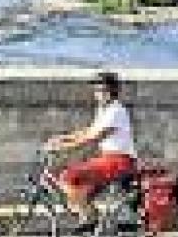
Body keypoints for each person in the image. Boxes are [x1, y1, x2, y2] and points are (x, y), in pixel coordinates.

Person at [45, 71, 138, 233]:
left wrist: (63, 148)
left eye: (103, 91)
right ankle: (92, 217)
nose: (99, 94)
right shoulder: (103, 110)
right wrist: (62, 138)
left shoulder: (116, 111)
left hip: (119, 161)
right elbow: (88, 131)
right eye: (96, 90)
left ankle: (91, 217)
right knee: (80, 188)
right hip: (107, 159)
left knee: (68, 176)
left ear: (112, 92)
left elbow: (94, 138)